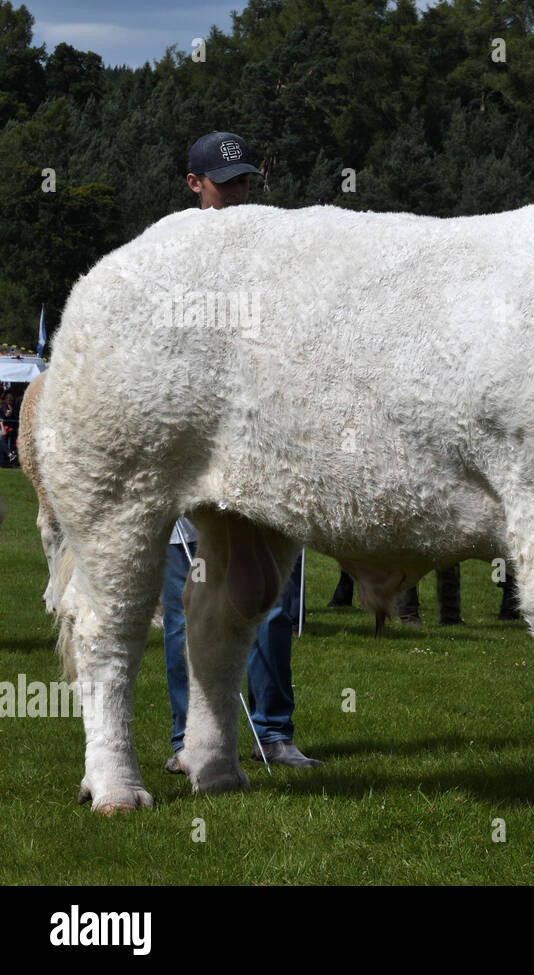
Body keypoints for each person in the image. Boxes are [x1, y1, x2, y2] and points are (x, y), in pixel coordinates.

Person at [163, 131, 321, 771]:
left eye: (244, 181)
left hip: (262, 449)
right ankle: (188, 740)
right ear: (194, 183)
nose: (236, 193)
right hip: (195, 453)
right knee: (189, 604)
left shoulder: (270, 252)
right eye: (224, 182)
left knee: (270, 601)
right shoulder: (169, 256)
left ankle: (274, 732)